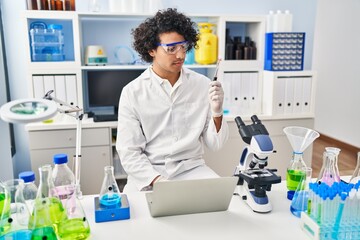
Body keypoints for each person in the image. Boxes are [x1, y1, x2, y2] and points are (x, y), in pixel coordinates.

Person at [116, 8, 229, 192]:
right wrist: (158, 181)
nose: (181, 55)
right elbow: (129, 153)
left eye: (183, 46)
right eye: (171, 49)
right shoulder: (132, 92)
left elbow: (215, 144)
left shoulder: (202, 85)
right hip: (149, 174)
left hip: (192, 170)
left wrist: (217, 112)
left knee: (221, 203)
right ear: (151, 50)